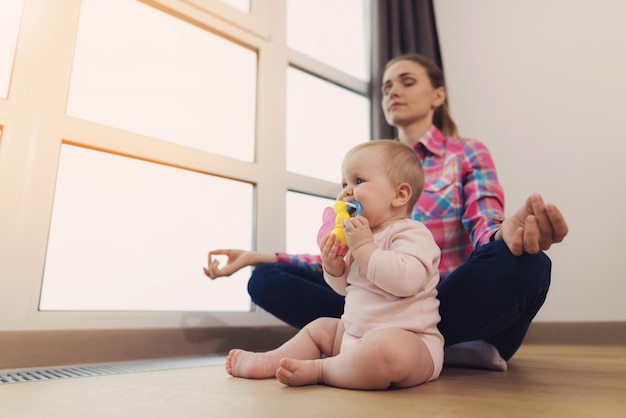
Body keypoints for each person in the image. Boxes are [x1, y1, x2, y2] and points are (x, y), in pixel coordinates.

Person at [205, 53, 569, 371]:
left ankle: (424, 342)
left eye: (406, 82)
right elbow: (347, 250)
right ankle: (414, 348)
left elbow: (483, 220)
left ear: (437, 96)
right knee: (266, 278)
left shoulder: (466, 153)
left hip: (444, 300)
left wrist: (503, 236)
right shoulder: (366, 170)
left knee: (529, 263)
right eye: (386, 86)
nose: (392, 91)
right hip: (377, 303)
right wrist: (261, 256)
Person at [225, 140, 443, 389]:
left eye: (358, 181)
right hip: (354, 335)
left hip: (412, 342)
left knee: (386, 349)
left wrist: (364, 248)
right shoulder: (357, 236)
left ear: (400, 194)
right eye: (344, 184)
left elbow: (407, 281)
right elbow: (343, 289)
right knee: (319, 329)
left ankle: (321, 369)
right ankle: (267, 362)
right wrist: (334, 267)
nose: (346, 191)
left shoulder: (412, 233)